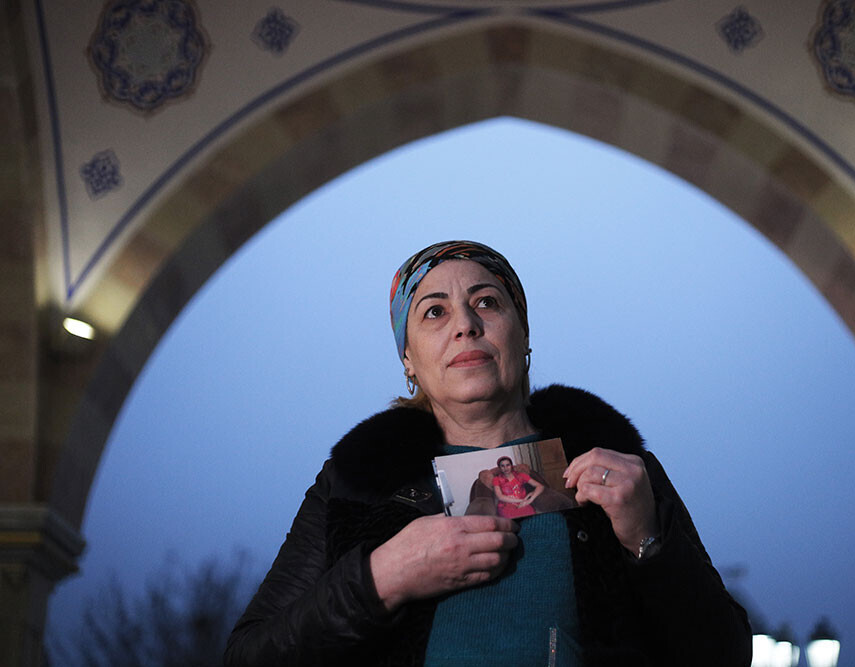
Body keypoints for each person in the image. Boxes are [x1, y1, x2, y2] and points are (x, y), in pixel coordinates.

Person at [225, 240, 751, 666]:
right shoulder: (353, 482)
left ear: (523, 336)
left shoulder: (617, 468)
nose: (465, 325)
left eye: (487, 303)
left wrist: (647, 539)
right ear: (408, 359)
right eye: (434, 312)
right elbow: (250, 654)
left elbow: (725, 654)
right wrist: (383, 577)